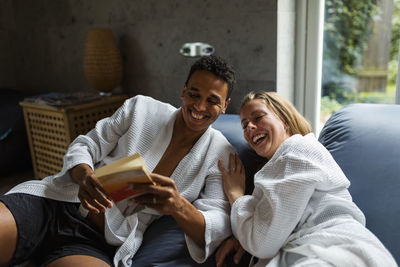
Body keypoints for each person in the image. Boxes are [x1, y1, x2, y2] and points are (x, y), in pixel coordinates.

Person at [0, 55, 237, 267]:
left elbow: (216, 222)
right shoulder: (141, 108)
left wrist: (178, 205)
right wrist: (84, 176)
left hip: (93, 243)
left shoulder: (219, 153)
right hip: (55, 203)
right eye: (194, 94)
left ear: (225, 106)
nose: (199, 106)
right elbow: (87, 144)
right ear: (183, 90)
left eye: (212, 101)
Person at [216, 91, 397, 266]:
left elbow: (262, 242)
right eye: (244, 124)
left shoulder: (299, 150)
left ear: (284, 120)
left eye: (258, 118)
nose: (249, 127)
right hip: (309, 250)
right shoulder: (274, 169)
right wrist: (241, 236)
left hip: (335, 247)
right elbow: (270, 227)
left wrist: (236, 196)